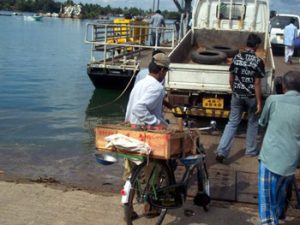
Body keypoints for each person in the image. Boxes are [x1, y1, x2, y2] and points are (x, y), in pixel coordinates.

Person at [258, 71, 300, 225]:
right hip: (291, 160)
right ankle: (280, 213)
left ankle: (270, 221)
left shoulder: (273, 100)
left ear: (283, 86)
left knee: (267, 198)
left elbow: (262, 122)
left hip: (270, 157)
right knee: (281, 190)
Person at [215, 33, 265, 163]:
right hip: (251, 97)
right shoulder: (258, 62)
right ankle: (250, 150)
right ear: (256, 46)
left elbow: (231, 78)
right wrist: (259, 103)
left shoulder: (236, 58)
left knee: (232, 123)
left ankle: (222, 151)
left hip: (237, 95)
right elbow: (257, 84)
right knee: (253, 123)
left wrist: (234, 91)